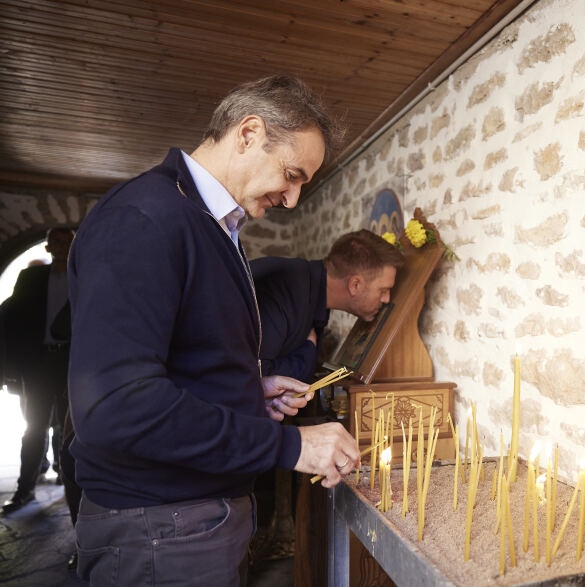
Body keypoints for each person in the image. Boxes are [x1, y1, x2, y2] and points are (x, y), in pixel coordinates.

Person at [66, 75, 358, 586]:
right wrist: (291, 447)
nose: (292, 200)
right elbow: (116, 407)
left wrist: (244, 391)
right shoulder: (146, 217)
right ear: (248, 133)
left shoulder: (210, 224)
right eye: (291, 175)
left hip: (190, 521)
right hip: (159, 526)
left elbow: (181, 360)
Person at [253, 229, 404, 380]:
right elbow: (254, 375)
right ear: (355, 285)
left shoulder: (309, 288)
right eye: (383, 290)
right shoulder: (284, 290)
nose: (387, 299)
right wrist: (306, 354)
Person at [1, 227, 75, 514]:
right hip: (40, 362)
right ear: (47, 248)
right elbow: (14, 323)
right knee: (33, 428)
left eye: (66, 241)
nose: (61, 246)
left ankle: (71, 487)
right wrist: (12, 368)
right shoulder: (30, 278)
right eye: (55, 241)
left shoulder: (83, 276)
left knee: (69, 429)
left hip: (71, 362)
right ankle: (24, 490)